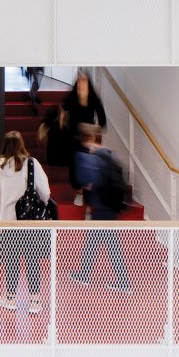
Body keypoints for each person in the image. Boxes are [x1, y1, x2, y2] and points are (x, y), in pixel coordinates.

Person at [0, 131, 51, 313]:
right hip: (30, 221)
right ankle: (35, 301)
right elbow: (45, 191)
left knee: (11, 259)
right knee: (32, 259)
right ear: (22, 144)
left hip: (7, 222)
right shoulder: (31, 163)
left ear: (4, 145)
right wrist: (41, 205)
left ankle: (10, 298)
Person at [71, 123, 130, 293]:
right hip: (109, 205)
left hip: (101, 206)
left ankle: (122, 281)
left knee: (110, 243)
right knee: (99, 241)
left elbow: (88, 182)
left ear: (83, 138)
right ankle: (85, 273)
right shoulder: (108, 154)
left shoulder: (90, 157)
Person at [60, 69, 107, 206]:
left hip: (87, 138)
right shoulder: (72, 97)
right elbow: (63, 110)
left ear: (89, 85)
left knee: (88, 166)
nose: (81, 87)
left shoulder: (93, 98)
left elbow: (102, 119)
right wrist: (62, 119)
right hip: (73, 137)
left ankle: (88, 195)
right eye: (79, 85)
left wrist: (95, 130)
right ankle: (79, 193)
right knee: (74, 166)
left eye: (84, 84)